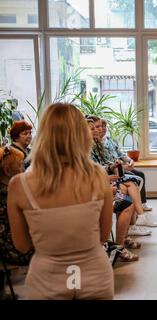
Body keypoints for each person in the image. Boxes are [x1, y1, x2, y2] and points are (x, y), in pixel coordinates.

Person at [7, 103, 114, 299]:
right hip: (95, 275)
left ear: (43, 135)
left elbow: (22, 245)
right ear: (82, 135)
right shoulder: (98, 175)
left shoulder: (19, 185)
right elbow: (103, 234)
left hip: (46, 280)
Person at [0, 146, 33, 298]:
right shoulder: (9, 194)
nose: (23, 169)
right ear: (7, 171)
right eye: (20, 165)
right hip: (11, 249)